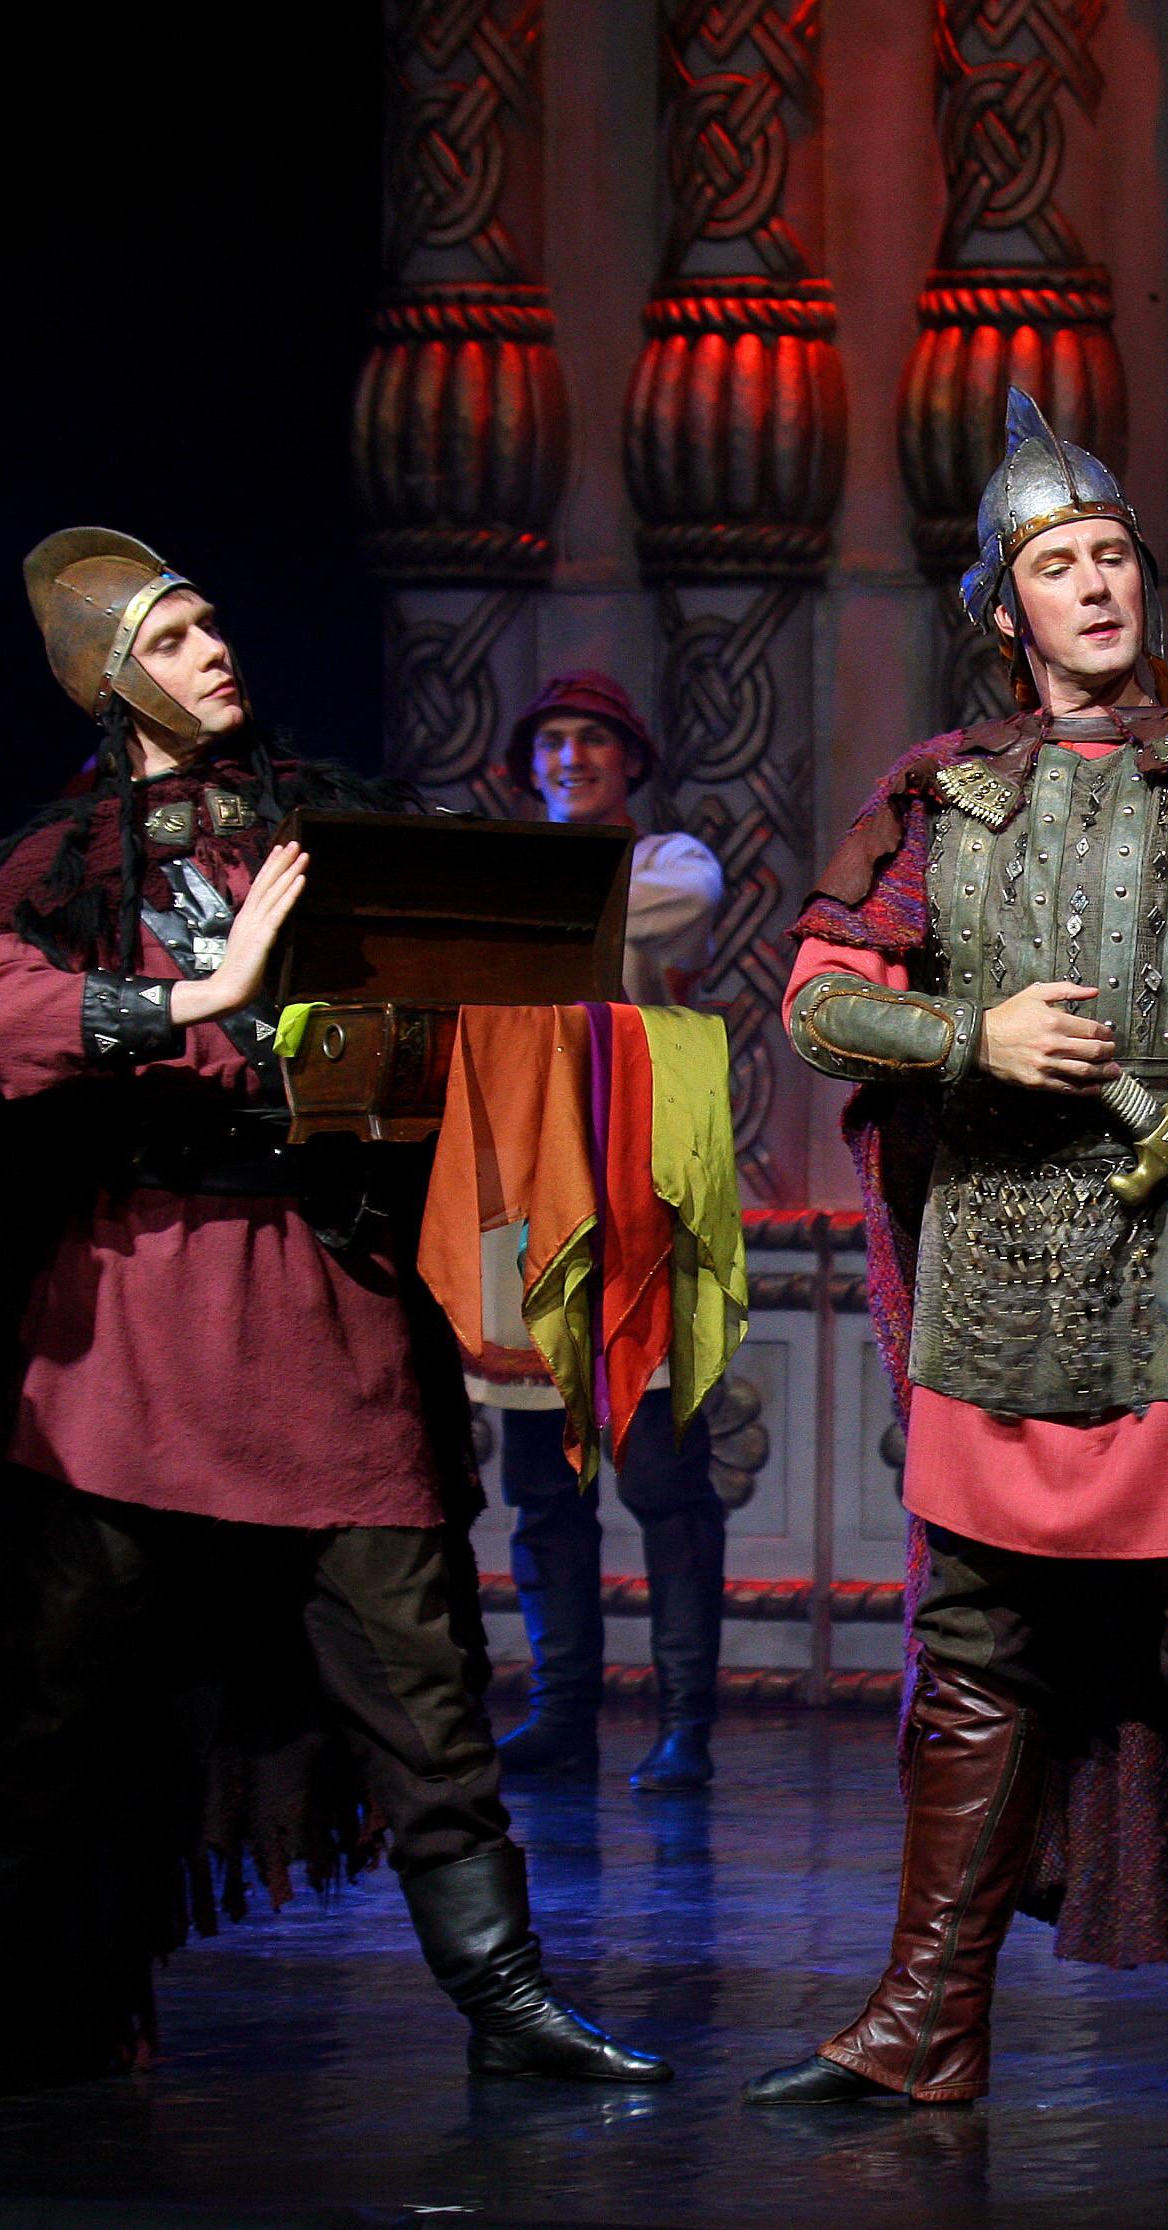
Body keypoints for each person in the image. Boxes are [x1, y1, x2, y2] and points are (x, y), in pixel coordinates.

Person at [0, 529, 670, 2107]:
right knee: (55, 1695)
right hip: (139, 1319)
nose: (213, 651)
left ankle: (506, 1998)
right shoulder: (67, 857)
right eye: (171, 640)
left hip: (319, 1305)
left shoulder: (327, 822)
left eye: (214, 626)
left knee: (424, 1685)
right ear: (108, 681)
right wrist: (194, 1000)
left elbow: (452, 987)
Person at [741, 391, 1168, 2143]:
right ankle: (924, 2021)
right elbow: (817, 998)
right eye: (1059, 563)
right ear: (1007, 609)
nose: (1098, 583)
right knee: (980, 1646)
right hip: (1000, 1264)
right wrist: (966, 1031)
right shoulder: (940, 793)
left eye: (1114, 553)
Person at [480, 671, 733, 1793]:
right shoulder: (513, 878)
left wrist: (493, 896)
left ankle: (686, 1725)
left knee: (663, 1480)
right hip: (534, 1198)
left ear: (631, 761)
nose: (570, 758)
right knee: (544, 1483)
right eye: (552, 742)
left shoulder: (673, 864)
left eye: (592, 739)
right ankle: (562, 1712)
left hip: (643, 1197)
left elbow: (603, 917)